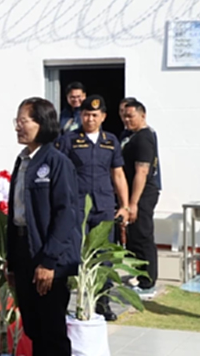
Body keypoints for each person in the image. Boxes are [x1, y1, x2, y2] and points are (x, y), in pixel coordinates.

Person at [7, 97, 81, 356]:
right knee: (34, 327)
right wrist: (12, 263)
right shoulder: (23, 161)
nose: (18, 127)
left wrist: (49, 261)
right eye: (16, 121)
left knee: (52, 330)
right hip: (23, 251)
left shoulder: (57, 162)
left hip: (48, 257)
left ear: (42, 123)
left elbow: (66, 214)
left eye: (23, 121)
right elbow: (15, 215)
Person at [55, 95, 128, 321]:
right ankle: (67, 302)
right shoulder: (69, 140)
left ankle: (102, 302)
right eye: (86, 114)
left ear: (103, 117)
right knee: (72, 253)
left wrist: (125, 205)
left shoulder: (111, 141)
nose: (90, 119)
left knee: (103, 254)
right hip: (77, 206)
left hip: (104, 206)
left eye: (95, 115)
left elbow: (118, 174)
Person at [120, 98, 161, 299]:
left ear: (142, 115)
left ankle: (148, 283)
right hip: (132, 193)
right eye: (123, 116)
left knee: (143, 236)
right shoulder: (130, 135)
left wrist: (133, 203)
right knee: (134, 236)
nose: (126, 120)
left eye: (130, 116)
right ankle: (139, 277)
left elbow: (142, 171)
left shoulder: (144, 137)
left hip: (143, 193)